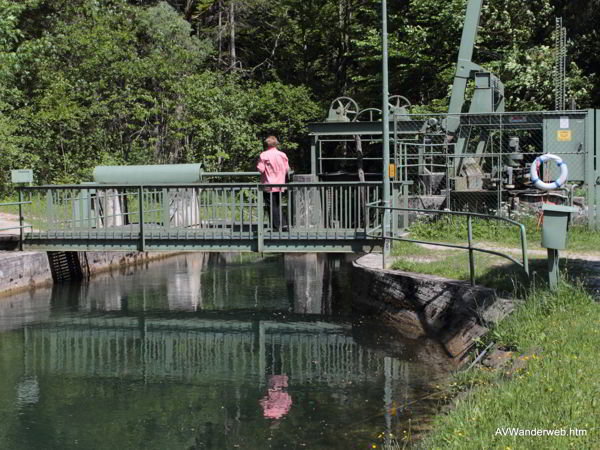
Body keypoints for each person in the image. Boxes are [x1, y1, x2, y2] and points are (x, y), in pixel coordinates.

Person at [257, 136, 290, 230]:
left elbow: (260, 169)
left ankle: (276, 226)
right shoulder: (282, 155)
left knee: (271, 206)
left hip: (268, 184)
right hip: (280, 184)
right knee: (278, 204)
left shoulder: (264, 155)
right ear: (276, 144)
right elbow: (287, 169)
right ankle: (283, 224)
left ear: (266, 144)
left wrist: (258, 162)